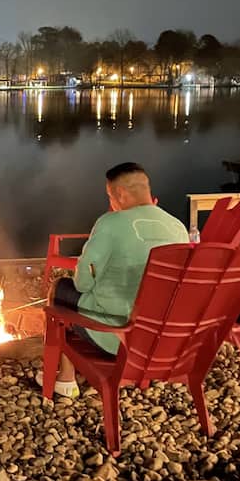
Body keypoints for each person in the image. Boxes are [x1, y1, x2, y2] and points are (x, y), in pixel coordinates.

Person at [42, 162, 189, 397]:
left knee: (60, 289)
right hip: (162, 341)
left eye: (110, 196)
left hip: (117, 338)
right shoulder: (177, 227)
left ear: (120, 193)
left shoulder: (111, 223)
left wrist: (94, 283)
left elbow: (82, 283)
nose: (111, 202)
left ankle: (65, 378)